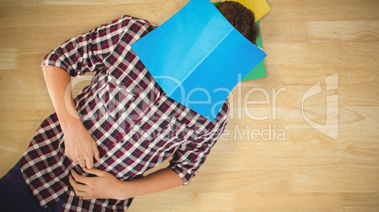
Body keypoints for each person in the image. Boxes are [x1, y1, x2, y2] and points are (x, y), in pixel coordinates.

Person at [0, 1, 259, 211]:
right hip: (41, 166)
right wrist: (72, 128)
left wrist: (122, 190)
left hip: (98, 205)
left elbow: (184, 170)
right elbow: (57, 61)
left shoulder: (214, 114)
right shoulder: (131, 34)